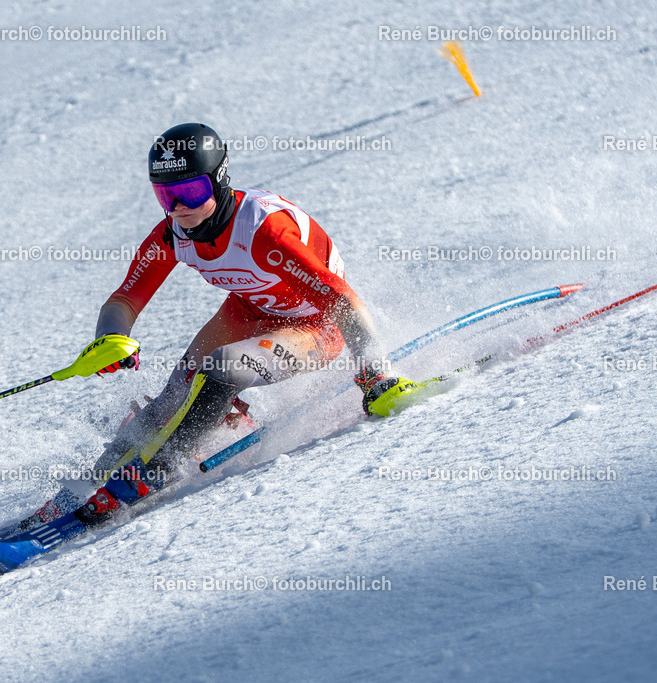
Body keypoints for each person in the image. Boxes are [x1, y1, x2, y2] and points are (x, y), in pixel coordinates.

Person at [31, 122, 409, 526]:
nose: (178, 207)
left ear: (219, 180)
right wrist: (110, 339)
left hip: (316, 325)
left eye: (190, 191)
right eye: (166, 194)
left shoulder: (265, 231)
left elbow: (343, 301)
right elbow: (125, 298)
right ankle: (85, 487)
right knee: (172, 396)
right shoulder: (173, 234)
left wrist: (376, 374)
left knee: (222, 367)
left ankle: (158, 470)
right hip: (248, 310)